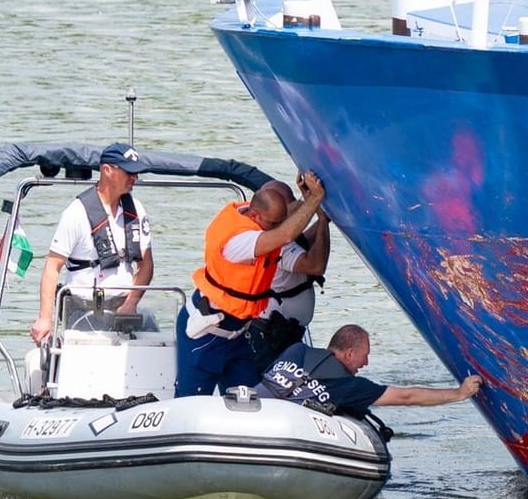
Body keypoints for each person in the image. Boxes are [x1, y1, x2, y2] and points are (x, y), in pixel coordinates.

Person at [175, 171, 325, 397]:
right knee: (191, 399)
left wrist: (306, 197)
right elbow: (284, 234)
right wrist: (315, 199)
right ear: (255, 216)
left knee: (251, 396)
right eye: (271, 223)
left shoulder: (249, 212)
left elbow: (282, 222)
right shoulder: (239, 242)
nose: (274, 226)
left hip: (238, 334)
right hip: (206, 331)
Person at [29, 144, 153, 345]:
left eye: (137, 172)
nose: (135, 178)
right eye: (129, 172)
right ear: (107, 170)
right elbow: (52, 267)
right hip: (85, 311)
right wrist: (45, 318)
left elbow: (146, 264)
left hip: (126, 309)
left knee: (159, 338)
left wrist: (131, 303)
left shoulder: (136, 209)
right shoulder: (76, 214)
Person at [258, 323, 483, 416]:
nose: (365, 363)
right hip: (283, 428)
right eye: (364, 356)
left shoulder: (297, 351)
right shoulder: (351, 386)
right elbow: (407, 396)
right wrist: (458, 393)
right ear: (349, 354)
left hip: (250, 411)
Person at [245, 191, 331, 375]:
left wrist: (318, 210)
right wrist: (322, 221)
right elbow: (315, 265)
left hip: (285, 332)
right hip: (269, 334)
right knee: (271, 387)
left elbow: (301, 242)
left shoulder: (276, 236)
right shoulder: (272, 242)